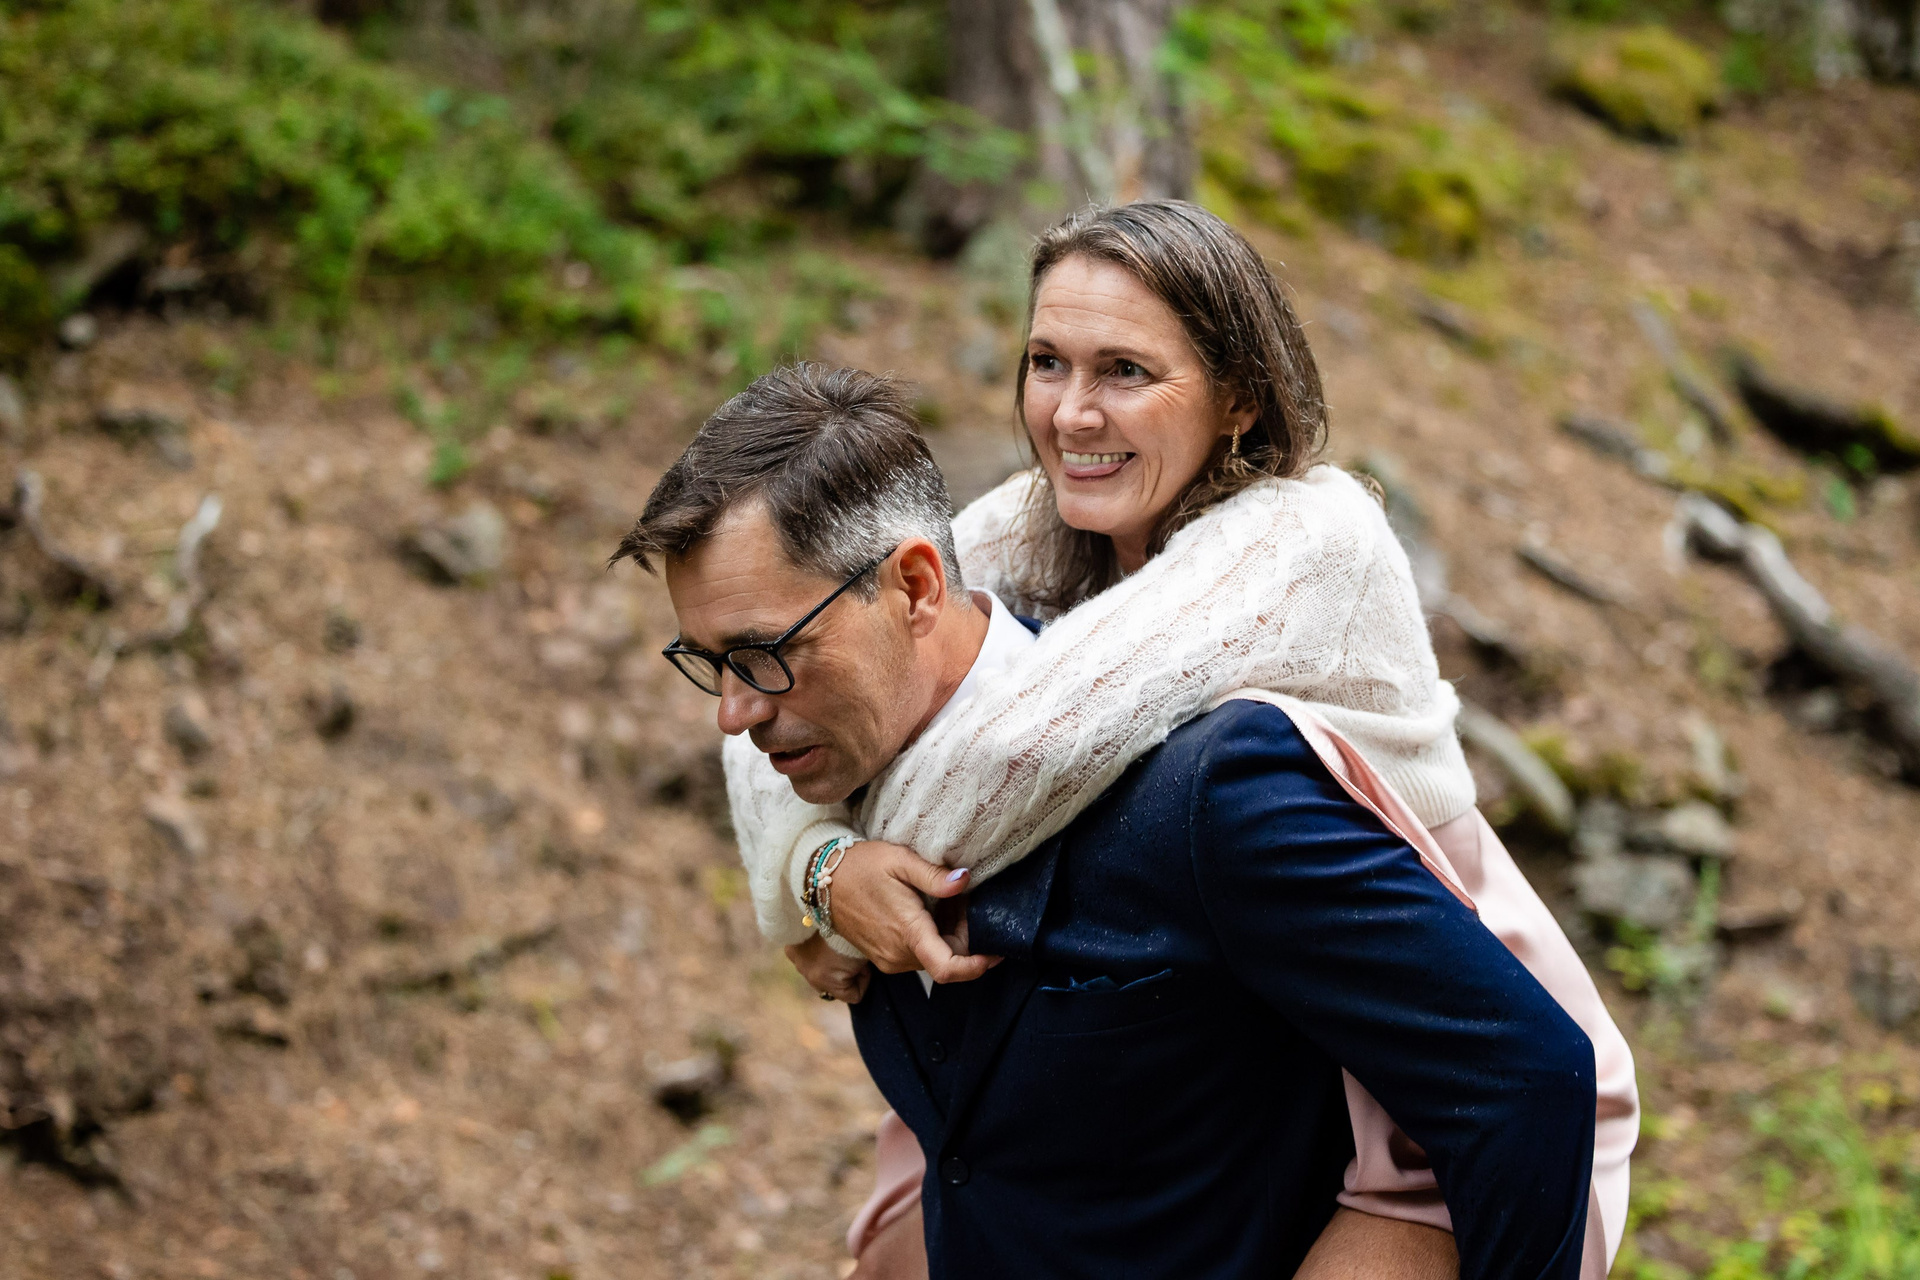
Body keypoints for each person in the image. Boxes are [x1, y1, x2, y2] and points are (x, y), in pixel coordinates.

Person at [713, 204, 1636, 1275]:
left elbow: (1018, 746)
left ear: (1239, 396)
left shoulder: (1302, 549)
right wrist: (825, 868)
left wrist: (826, 871)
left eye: (1125, 371)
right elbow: (818, 670)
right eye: (1047, 362)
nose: (1072, 412)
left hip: (1423, 1089)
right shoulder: (1034, 535)